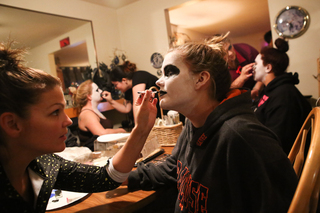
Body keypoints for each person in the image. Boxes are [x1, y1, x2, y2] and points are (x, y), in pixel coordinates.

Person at [126, 34, 298, 212]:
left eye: (169, 72)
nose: (158, 81)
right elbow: (174, 168)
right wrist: (125, 177)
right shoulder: (195, 123)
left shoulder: (243, 136)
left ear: (201, 79)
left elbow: (284, 204)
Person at [0, 40, 158, 212]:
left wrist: (141, 130)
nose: (68, 121)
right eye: (55, 112)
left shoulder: (45, 164)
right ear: (12, 124)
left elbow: (107, 177)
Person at [252, 37, 312, 155]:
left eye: (256, 63)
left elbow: (278, 141)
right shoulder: (270, 90)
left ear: (268, 67)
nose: (253, 67)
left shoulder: (284, 95)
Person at [74, 79, 126, 151]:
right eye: (97, 90)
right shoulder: (87, 114)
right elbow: (101, 133)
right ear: (89, 96)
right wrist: (121, 130)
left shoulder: (94, 111)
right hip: (93, 156)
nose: (101, 91)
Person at [222, 35, 264, 100]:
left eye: (230, 47)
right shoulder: (217, 67)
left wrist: (256, 88)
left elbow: (265, 68)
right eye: (224, 52)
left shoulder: (246, 50)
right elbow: (222, 94)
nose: (230, 53)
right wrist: (241, 79)